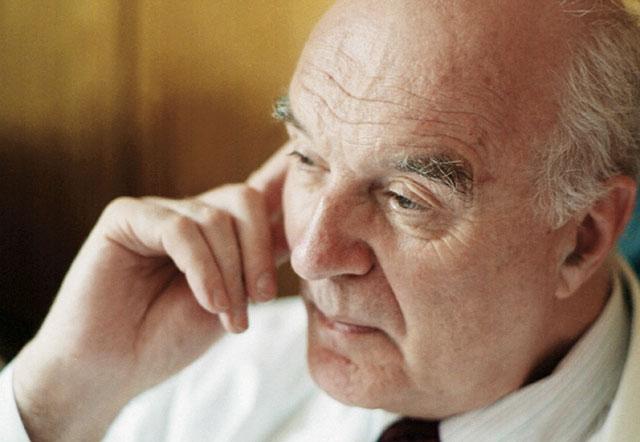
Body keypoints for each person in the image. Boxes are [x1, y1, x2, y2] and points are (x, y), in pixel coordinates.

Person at [2, 0, 640, 440]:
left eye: (406, 198)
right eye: (308, 158)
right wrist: (55, 398)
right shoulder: (202, 376)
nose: (309, 254)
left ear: (582, 238)